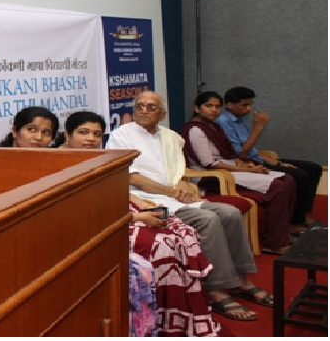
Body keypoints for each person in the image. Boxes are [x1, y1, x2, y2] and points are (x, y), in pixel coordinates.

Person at [107, 91, 271, 322]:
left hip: (176, 196)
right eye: (140, 106)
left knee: (231, 213)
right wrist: (173, 191)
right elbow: (132, 178)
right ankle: (216, 290)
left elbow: (178, 171)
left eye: (151, 107)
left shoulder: (170, 136)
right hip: (146, 200)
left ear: (162, 114)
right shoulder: (122, 135)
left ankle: (242, 281)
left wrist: (183, 184)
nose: (144, 110)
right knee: (208, 219)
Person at [60, 111, 224, 335]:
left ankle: (174, 315)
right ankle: (156, 320)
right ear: (68, 135)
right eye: (83, 132)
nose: (91, 139)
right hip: (96, 224)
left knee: (181, 235)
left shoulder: (98, 158)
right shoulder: (59, 164)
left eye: (96, 134)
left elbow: (117, 188)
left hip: (118, 211)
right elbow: (79, 212)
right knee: (162, 246)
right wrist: (136, 217)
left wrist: (141, 205)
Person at [182, 92, 297, 254]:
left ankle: (278, 233)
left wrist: (244, 164)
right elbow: (210, 164)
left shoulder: (214, 126)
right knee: (277, 187)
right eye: (209, 106)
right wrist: (248, 170)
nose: (214, 110)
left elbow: (229, 155)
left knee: (288, 179)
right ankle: (276, 243)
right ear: (197, 108)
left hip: (229, 169)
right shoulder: (195, 130)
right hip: (212, 177)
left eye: (217, 106)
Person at [215, 86, 321, 231]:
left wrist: (279, 163)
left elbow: (252, 150)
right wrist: (258, 128)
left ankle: (301, 214)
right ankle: (295, 222)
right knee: (300, 176)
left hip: (257, 158)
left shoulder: (240, 119)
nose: (249, 109)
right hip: (247, 164)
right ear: (230, 105)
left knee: (314, 168)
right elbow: (241, 154)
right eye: (244, 105)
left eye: (250, 104)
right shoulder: (223, 122)